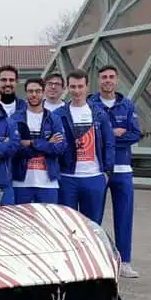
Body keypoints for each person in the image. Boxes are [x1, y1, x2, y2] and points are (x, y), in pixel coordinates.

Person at [88, 64, 142, 277]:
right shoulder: (90, 104)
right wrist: (113, 134)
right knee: (93, 218)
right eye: (104, 77)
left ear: (116, 80)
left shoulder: (127, 105)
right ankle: (94, 263)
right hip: (98, 169)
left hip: (123, 168)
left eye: (111, 77)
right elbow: (91, 137)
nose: (107, 80)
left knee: (124, 217)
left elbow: (135, 134)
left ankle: (125, 261)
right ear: (98, 80)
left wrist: (106, 137)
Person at [54, 68, 115, 224]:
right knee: (68, 226)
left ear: (87, 87)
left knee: (93, 226)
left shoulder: (99, 114)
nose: (77, 91)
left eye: (80, 86)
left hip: (94, 177)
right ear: (67, 88)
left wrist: (107, 170)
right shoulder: (58, 115)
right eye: (73, 87)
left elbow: (109, 143)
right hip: (68, 178)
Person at [10, 77, 67, 204]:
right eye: (30, 91)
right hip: (21, 182)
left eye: (38, 91)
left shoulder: (54, 119)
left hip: (48, 183)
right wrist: (47, 144)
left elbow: (60, 148)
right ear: (26, 93)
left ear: (43, 92)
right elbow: (14, 149)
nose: (34, 94)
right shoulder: (15, 118)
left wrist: (31, 143)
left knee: (48, 218)